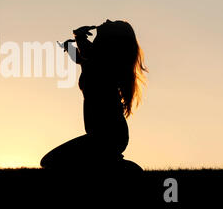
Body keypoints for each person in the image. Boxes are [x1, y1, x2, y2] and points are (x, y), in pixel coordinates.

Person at [40, 19, 147, 169]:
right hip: (101, 135)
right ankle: (112, 164)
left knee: (50, 162)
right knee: (51, 161)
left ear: (111, 38)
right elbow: (80, 58)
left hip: (109, 136)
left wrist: (79, 36)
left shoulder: (103, 59)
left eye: (111, 23)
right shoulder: (95, 58)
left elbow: (86, 55)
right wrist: (70, 46)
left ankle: (123, 168)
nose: (107, 20)